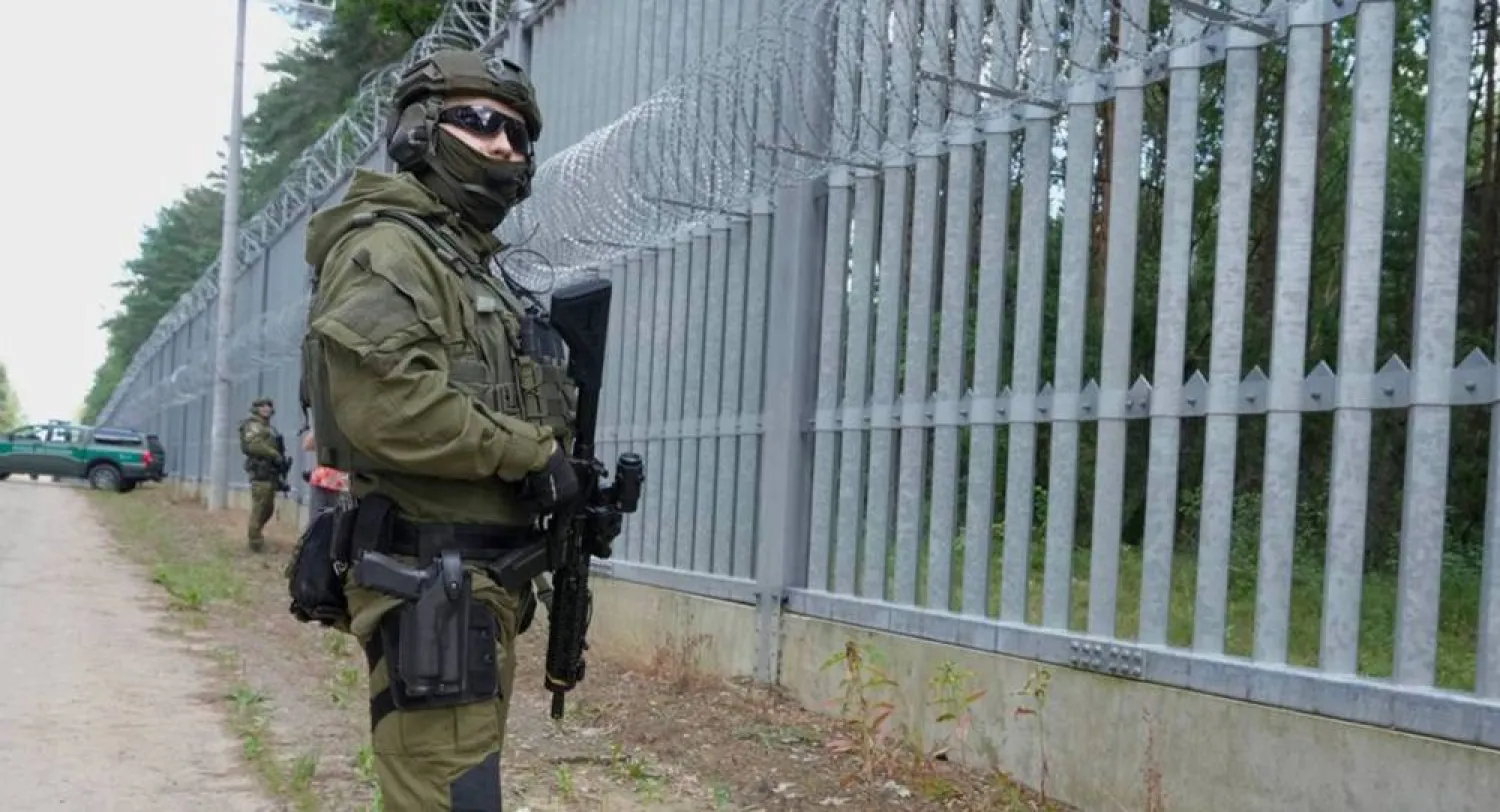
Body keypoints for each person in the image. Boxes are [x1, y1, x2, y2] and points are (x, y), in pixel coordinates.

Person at [298, 48, 580, 810]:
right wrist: (531, 453)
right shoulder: (389, 250)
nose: (502, 146)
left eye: (518, 135)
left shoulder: (464, 262)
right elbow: (388, 410)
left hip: (474, 585)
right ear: (421, 130)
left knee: (459, 788)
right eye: (478, 122)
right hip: (433, 583)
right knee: (449, 799)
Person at [239, 397, 290, 553]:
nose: (266, 409)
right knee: (260, 507)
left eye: (269, 406)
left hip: (270, 472)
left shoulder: (269, 428)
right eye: (263, 406)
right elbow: (253, 445)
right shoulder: (252, 425)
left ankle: (257, 534)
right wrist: (273, 454)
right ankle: (255, 543)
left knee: (268, 508)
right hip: (260, 472)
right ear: (256, 409)